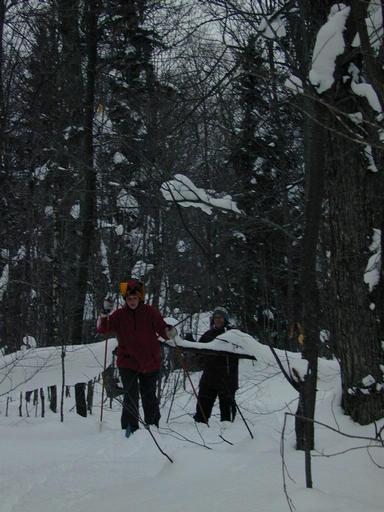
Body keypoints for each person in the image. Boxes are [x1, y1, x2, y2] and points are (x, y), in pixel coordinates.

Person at [97, 278, 174, 437]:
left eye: (135, 298)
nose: (132, 301)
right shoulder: (119, 315)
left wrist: (169, 332)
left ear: (140, 298)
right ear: (125, 300)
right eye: (129, 299)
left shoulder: (150, 312)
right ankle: (129, 428)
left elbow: (162, 329)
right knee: (130, 395)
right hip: (127, 362)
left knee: (149, 396)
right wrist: (105, 312)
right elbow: (103, 328)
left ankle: (153, 426)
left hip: (150, 361)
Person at [193, 307, 239, 424]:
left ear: (226, 319)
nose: (218, 320)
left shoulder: (233, 334)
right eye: (216, 317)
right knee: (201, 414)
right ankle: (200, 429)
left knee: (227, 416)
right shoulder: (208, 335)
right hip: (209, 378)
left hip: (227, 379)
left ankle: (228, 434)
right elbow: (198, 355)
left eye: (221, 317)